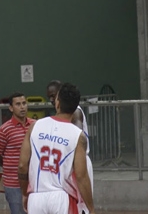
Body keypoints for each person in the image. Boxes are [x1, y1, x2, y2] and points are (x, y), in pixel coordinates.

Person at [18, 83, 95, 214]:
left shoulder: (35, 126)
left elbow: (22, 165)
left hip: (36, 196)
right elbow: (81, 176)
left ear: (57, 103)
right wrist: (91, 208)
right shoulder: (77, 135)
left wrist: (25, 193)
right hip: (61, 197)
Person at [46, 80, 94, 214]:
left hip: (78, 160)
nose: (51, 100)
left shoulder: (75, 111)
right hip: (67, 161)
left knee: (81, 204)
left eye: (53, 96)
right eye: (49, 96)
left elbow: (75, 135)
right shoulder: (60, 113)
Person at [0, 92, 35, 214]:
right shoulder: (4, 130)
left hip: (34, 181)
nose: (22, 107)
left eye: (24, 103)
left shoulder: (35, 125)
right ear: (11, 108)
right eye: (18, 104)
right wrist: (8, 165)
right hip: (14, 184)